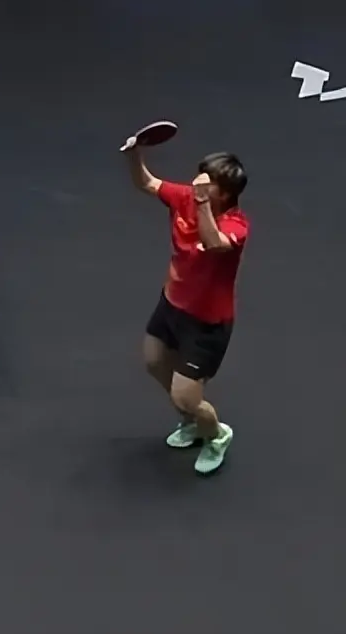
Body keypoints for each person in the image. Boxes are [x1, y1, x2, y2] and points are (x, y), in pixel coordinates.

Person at [122, 137, 249, 474]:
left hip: (206, 323)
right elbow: (147, 183)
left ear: (225, 194)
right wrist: (134, 155)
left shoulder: (236, 225)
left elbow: (213, 243)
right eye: (201, 174)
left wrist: (202, 204)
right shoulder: (185, 197)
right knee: (154, 362)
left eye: (210, 181)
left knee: (186, 397)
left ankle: (216, 434)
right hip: (171, 305)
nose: (199, 181)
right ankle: (194, 421)